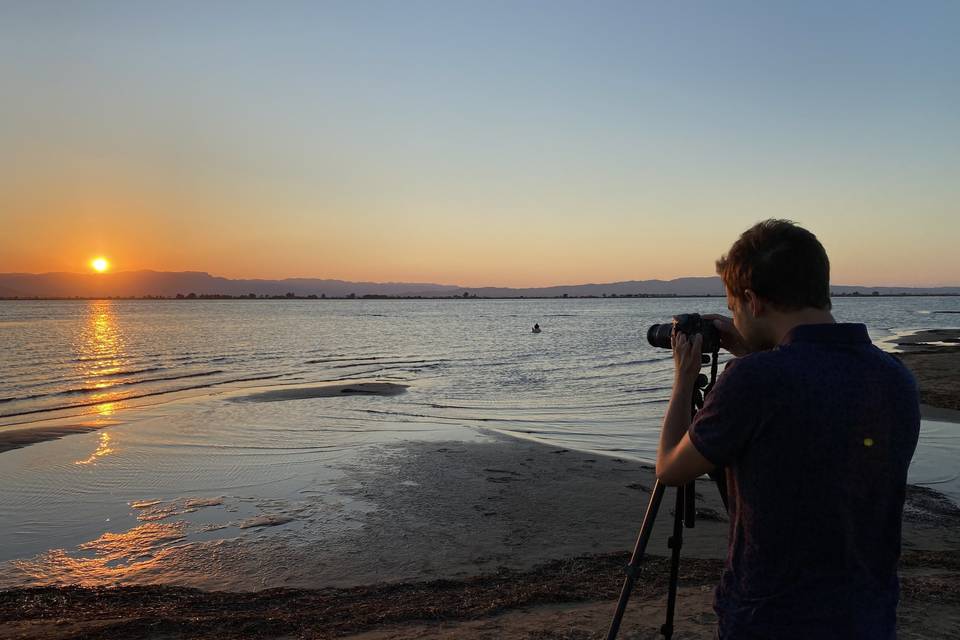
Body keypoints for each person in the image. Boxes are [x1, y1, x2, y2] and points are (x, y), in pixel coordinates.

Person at [654, 219, 920, 639]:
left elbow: (671, 468)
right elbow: (814, 408)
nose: (733, 316)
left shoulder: (754, 381)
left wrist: (685, 376)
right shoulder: (895, 376)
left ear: (752, 301)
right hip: (867, 614)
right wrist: (748, 350)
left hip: (772, 617)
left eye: (732, 306)